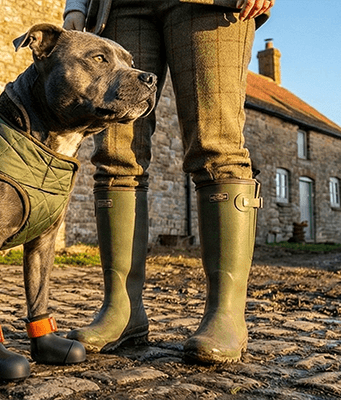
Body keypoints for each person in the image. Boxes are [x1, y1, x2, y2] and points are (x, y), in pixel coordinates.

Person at [61, 0, 273, 364]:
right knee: (115, 155)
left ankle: (226, 314)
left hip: (209, 4)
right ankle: (122, 311)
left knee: (216, 145)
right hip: (119, 8)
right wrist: (75, 5)